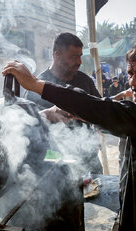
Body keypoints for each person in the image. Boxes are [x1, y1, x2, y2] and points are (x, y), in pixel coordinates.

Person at [2, 40, 136, 231]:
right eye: (131, 74)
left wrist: (37, 85)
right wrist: (81, 114)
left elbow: (107, 110)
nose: (133, 82)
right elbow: (113, 117)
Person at [24, 32, 103, 174]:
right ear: (57, 55)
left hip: (89, 157)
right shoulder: (36, 87)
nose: (79, 62)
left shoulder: (85, 81)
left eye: (80, 56)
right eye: (74, 57)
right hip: (57, 162)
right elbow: (27, 125)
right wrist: (47, 114)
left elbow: (99, 109)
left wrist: (97, 129)